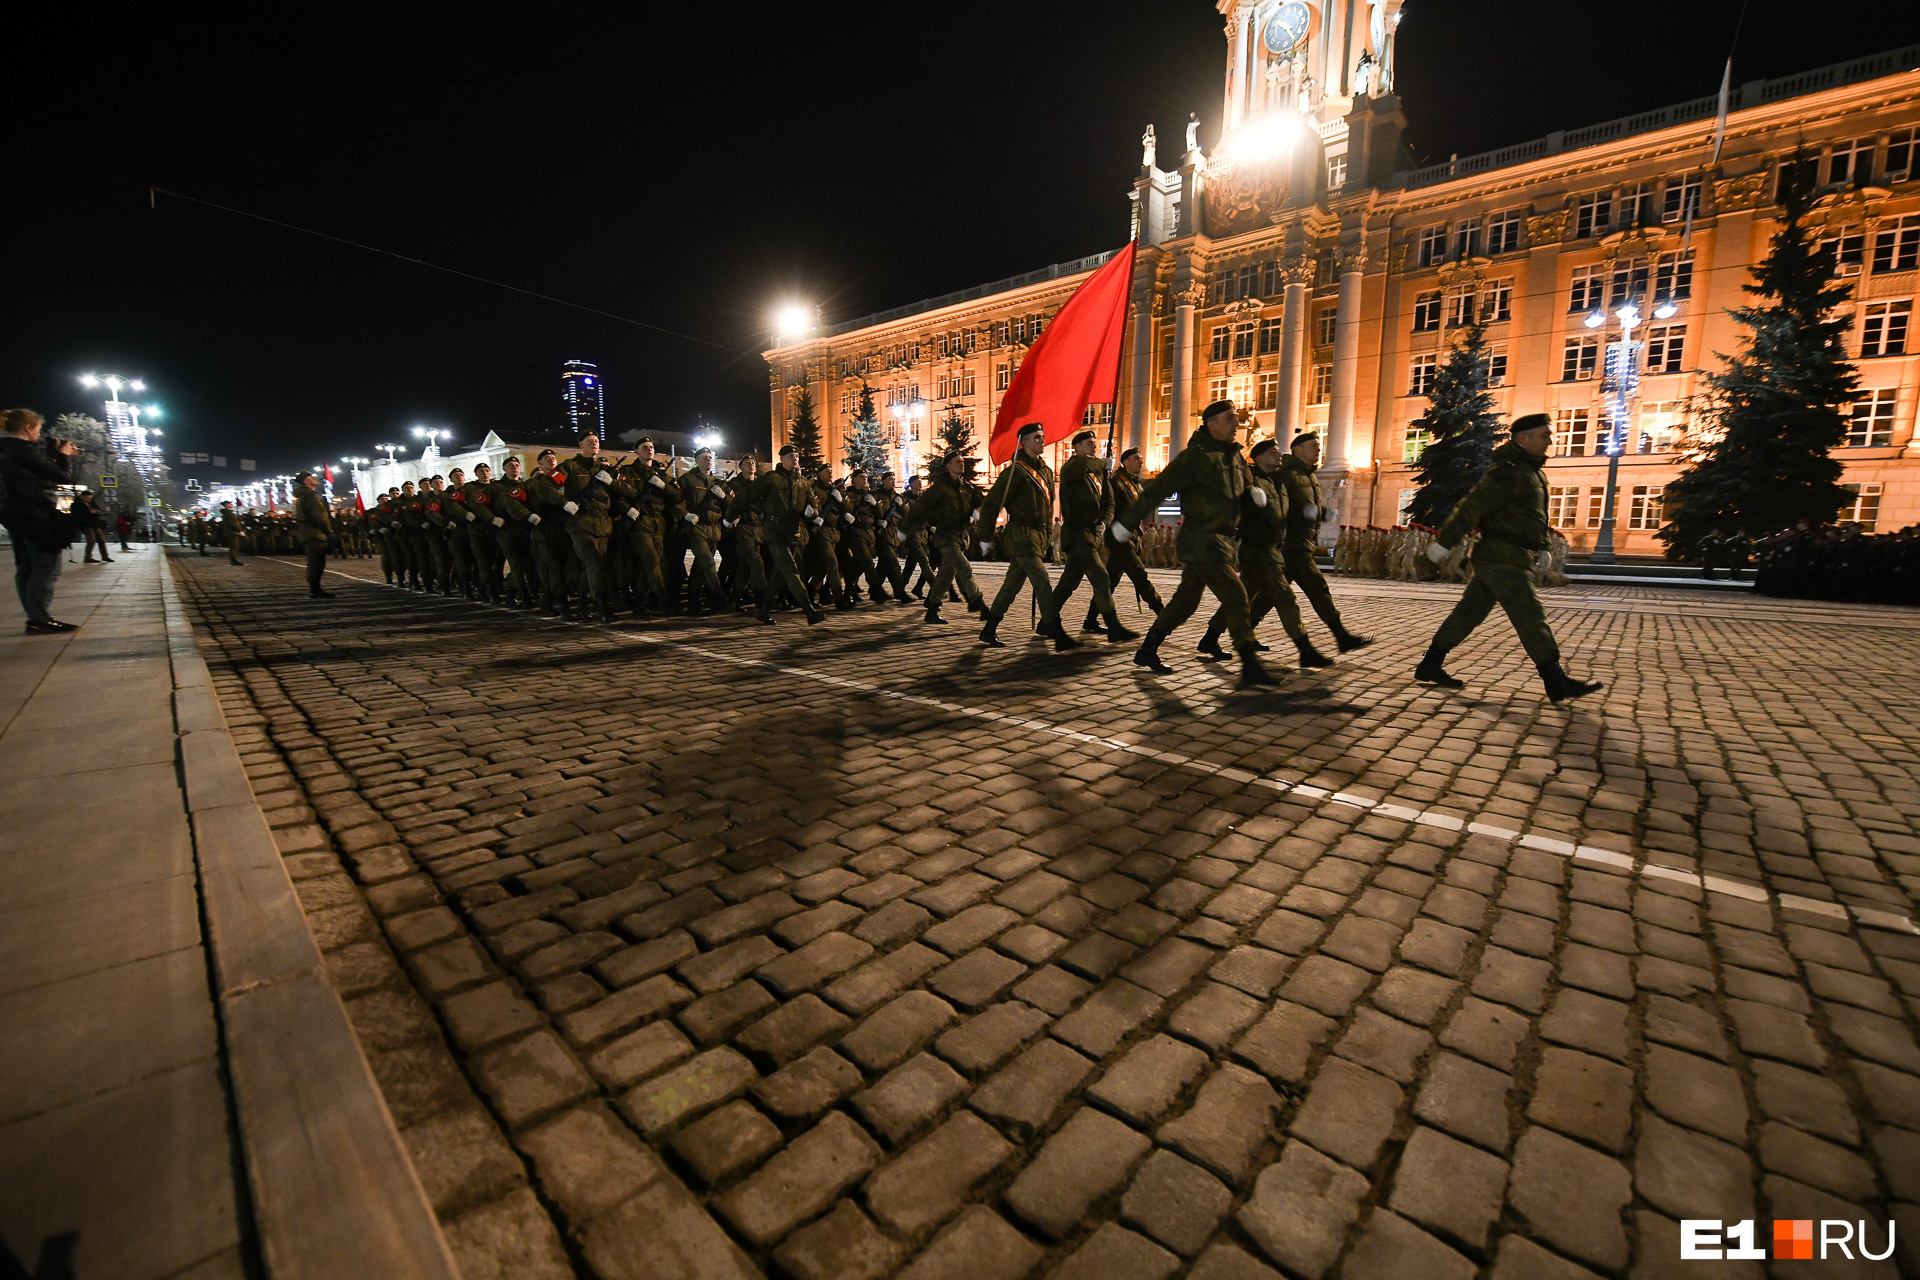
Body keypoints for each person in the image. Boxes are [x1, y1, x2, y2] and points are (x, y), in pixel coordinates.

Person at [1414, 412, 1603, 702]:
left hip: (1511, 555)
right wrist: (1444, 544)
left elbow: (1534, 516)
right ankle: (1555, 680)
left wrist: (1542, 545)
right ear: (1522, 438)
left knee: (1468, 614)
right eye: (1544, 435)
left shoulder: (1534, 472)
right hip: (1501, 556)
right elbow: (1471, 507)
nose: (1550, 441)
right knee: (1530, 615)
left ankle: (1430, 663)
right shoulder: (1508, 471)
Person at [1111, 400, 1279, 687]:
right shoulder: (1195, 457)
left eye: (1236, 418)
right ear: (1211, 423)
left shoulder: (1234, 456)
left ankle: (1147, 650)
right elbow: (1158, 490)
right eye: (1230, 418)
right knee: (1237, 597)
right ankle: (1250, 665)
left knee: (1185, 602)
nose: (1237, 423)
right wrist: (1126, 523)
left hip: (1223, 540)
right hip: (1202, 539)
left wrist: (1254, 495)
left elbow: (1246, 486)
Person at [1197, 437, 1330, 669]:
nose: (1280, 455)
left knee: (1242, 598)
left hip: (1273, 549)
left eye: (1279, 451)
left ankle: (1210, 638)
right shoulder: (1250, 481)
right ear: (1259, 458)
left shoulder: (1278, 480)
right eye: (1273, 452)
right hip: (1258, 550)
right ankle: (1305, 650)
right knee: (1285, 598)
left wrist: (1316, 512)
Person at [977, 422, 1075, 650]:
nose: (1042, 440)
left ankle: (989, 629)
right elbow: (992, 504)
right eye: (1037, 437)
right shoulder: (1015, 472)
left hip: (1036, 536)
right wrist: (985, 536)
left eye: (1042, 436)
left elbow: (1049, 508)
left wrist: (1048, 536)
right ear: (1025, 442)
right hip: (1020, 536)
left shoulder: (1047, 472)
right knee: (1042, 582)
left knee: (1010, 587)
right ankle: (1056, 630)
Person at [1277, 433, 1372, 653]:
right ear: (1298, 451)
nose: (1318, 450)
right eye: (1313, 446)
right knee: (1318, 589)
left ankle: (1217, 635)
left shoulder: (1308, 476)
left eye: (1319, 446)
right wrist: (1309, 512)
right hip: (1292, 545)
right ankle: (1341, 637)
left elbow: (1306, 506)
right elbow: (1281, 508)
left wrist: (1320, 512)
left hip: (1301, 545)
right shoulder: (1288, 474)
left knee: (1264, 596)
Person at [1051, 428, 1139, 642]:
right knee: (1101, 578)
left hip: (1092, 534)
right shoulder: (1073, 467)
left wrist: (1104, 522)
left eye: (1095, 442)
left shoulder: (1098, 474)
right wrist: (1102, 463)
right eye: (1089, 443)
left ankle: (1047, 621)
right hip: (1077, 533)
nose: (1094, 446)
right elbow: (1080, 467)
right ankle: (1114, 626)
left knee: (1068, 582)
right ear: (1077, 447)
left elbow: (1109, 502)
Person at [0, 409, 79, 633]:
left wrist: (51, 458)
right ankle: (39, 619)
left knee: (25, 566)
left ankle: (34, 616)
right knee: (46, 566)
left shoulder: (4, 448)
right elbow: (62, 477)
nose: (38, 433)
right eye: (37, 429)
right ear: (27, 428)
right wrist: (63, 456)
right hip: (34, 515)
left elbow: (33, 474)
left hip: (11, 515)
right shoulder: (22, 449)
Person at [900, 452, 986, 624]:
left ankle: (931, 609)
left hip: (962, 537)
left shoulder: (966, 487)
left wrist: (976, 513)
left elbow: (979, 502)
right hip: (946, 537)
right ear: (948, 466)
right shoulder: (939, 489)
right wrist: (904, 528)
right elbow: (920, 508)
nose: (961, 464)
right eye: (957, 462)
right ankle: (980, 606)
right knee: (965, 568)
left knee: (946, 575)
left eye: (962, 461)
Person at [744, 443, 824, 625]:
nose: (795, 458)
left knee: (780, 574)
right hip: (774, 533)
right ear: (781, 459)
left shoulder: (803, 483)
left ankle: (763, 610)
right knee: (790, 569)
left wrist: (813, 513)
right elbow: (748, 497)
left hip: (793, 533)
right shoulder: (772, 479)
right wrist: (731, 516)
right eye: (790, 455)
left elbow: (813, 505)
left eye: (797, 455)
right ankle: (809, 611)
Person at [1099, 446, 1165, 622]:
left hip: (1131, 538)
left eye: (1141, 458)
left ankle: (1091, 618)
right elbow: (1109, 508)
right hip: (1119, 538)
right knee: (1139, 575)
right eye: (1137, 458)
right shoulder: (1116, 483)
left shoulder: (1136, 485)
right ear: (1126, 462)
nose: (1141, 462)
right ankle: (1161, 610)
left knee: (1110, 581)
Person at [561, 434, 619, 623]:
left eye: (596, 441)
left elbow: (624, 492)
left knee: (591, 567)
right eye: (589, 440)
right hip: (580, 523)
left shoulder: (604, 468)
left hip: (602, 525)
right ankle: (602, 607)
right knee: (594, 561)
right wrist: (564, 502)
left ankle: (581, 608)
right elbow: (545, 486)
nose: (594, 443)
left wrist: (613, 482)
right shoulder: (569, 466)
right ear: (580, 444)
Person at [676, 445, 732, 614]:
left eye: (710, 457)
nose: (709, 460)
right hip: (697, 528)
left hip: (714, 530)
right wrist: (685, 514)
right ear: (697, 460)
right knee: (708, 562)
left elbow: (732, 504)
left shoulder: (717, 482)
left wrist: (723, 496)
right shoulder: (687, 479)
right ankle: (719, 597)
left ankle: (693, 603)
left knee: (699, 568)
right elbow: (676, 500)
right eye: (705, 457)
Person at [294, 472, 335, 598]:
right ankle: (314, 589)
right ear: (307, 482)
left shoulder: (306, 495)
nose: (316, 478)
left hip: (311, 532)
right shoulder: (309, 496)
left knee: (316, 561)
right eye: (312, 477)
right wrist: (329, 531)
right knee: (316, 562)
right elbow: (319, 516)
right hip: (314, 533)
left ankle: (315, 588)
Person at [72, 490, 111, 563]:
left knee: (101, 540)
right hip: (85, 525)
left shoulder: (92, 503)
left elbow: (99, 510)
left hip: (95, 524)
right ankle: (88, 557)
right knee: (91, 540)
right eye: (87, 497)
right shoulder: (76, 504)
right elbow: (76, 515)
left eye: (90, 497)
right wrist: (89, 512)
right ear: (82, 497)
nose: (88, 499)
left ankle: (105, 556)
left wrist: (99, 511)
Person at [217, 500, 244, 565]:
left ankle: (233, 559)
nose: (231, 504)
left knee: (234, 546)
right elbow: (232, 523)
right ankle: (233, 559)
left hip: (232, 532)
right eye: (230, 504)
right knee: (234, 546)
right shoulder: (228, 513)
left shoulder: (229, 513)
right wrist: (239, 530)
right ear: (227, 505)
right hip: (232, 532)